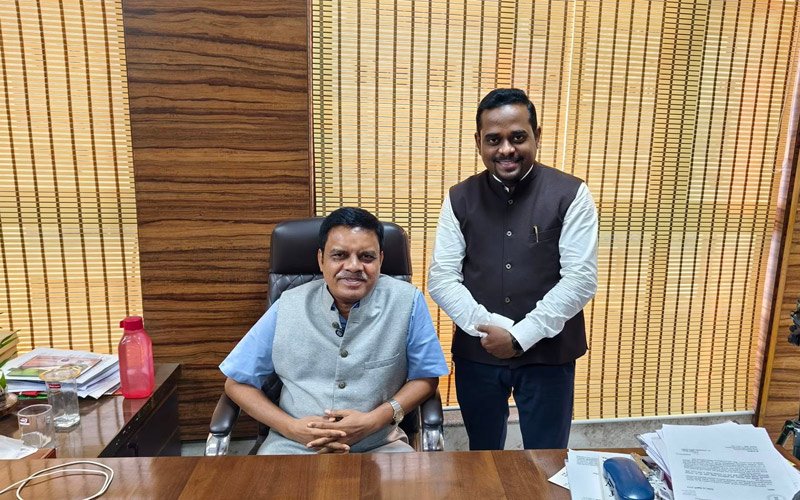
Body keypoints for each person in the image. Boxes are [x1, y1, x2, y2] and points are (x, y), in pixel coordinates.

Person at [428, 88, 598, 450]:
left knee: (547, 457)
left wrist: (521, 336)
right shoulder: (458, 197)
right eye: (494, 139)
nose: (506, 149)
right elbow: (442, 278)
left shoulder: (571, 194)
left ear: (537, 135)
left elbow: (580, 279)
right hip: (479, 353)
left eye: (517, 137)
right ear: (479, 142)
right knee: (483, 456)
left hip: (549, 356)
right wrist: (494, 328)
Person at [221, 207, 448, 454]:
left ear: (381, 260)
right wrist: (290, 427)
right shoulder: (287, 305)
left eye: (367, 257)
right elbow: (237, 383)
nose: (353, 266)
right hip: (291, 445)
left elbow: (426, 378)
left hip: (381, 444)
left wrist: (374, 420)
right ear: (321, 259)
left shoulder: (408, 301)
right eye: (339, 255)